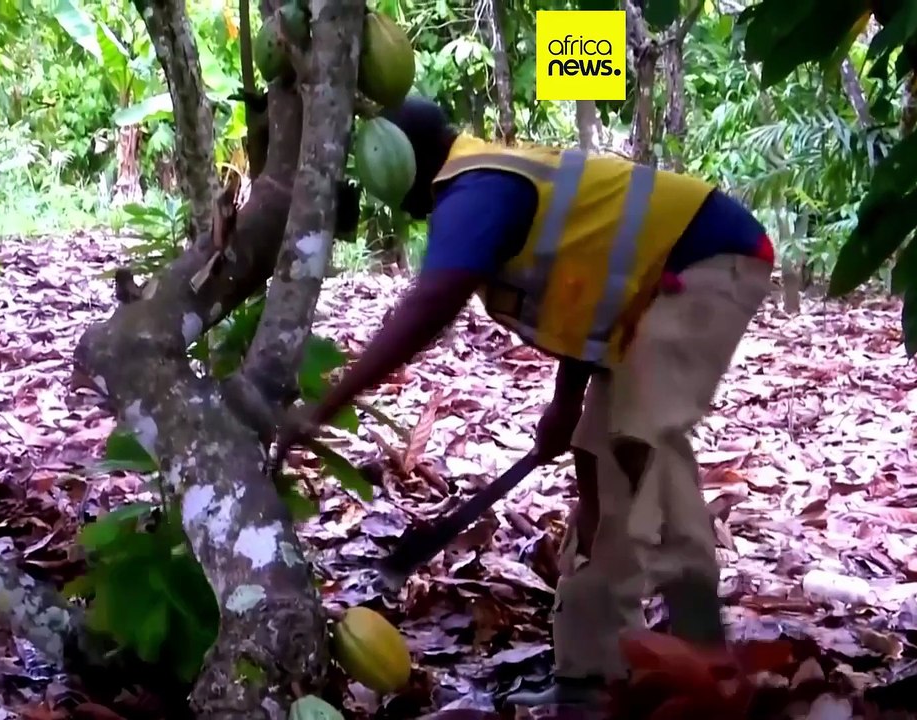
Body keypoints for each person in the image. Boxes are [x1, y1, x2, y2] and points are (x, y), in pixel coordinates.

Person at [271, 96, 774, 709]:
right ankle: (593, 673)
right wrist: (566, 402)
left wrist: (325, 405)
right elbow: (590, 297)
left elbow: (431, 304)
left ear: (403, 162)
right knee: (599, 465)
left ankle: (700, 650)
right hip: (639, 301)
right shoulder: (484, 182)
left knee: (639, 444)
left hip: (707, 259)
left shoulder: (475, 190)